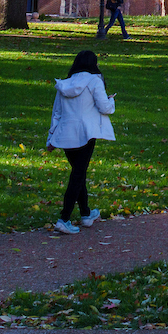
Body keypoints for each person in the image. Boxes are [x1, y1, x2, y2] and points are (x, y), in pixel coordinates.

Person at [47, 48, 117, 234]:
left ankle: (86, 213)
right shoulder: (95, 81)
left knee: (79, 174)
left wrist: (51, 138)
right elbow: (105, 108)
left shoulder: (65, 84)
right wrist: (112, 102)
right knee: (77, 175)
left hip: (65, 134)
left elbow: (57, 113)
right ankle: (64, 218)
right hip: (86, 133)